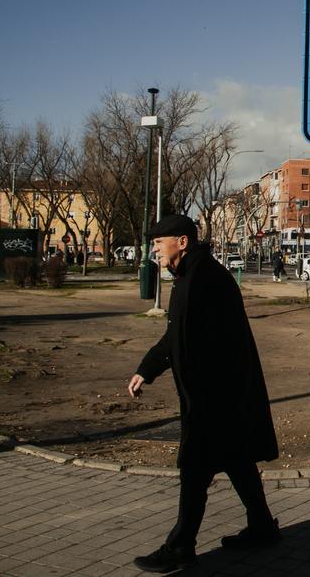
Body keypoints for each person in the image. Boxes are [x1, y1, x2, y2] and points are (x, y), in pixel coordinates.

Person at [128, 215, 280, 573]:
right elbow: (176, 337)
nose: (154, 250)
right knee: (237, 461)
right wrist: (146, 369)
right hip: (219, 395)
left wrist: (202, 396)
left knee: (194, 469)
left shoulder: (204, 279)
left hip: (214, 396)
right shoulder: (191, 276)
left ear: (182, 241)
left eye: (158, 243)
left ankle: (181, 546)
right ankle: (261, 528)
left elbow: (210, 344)